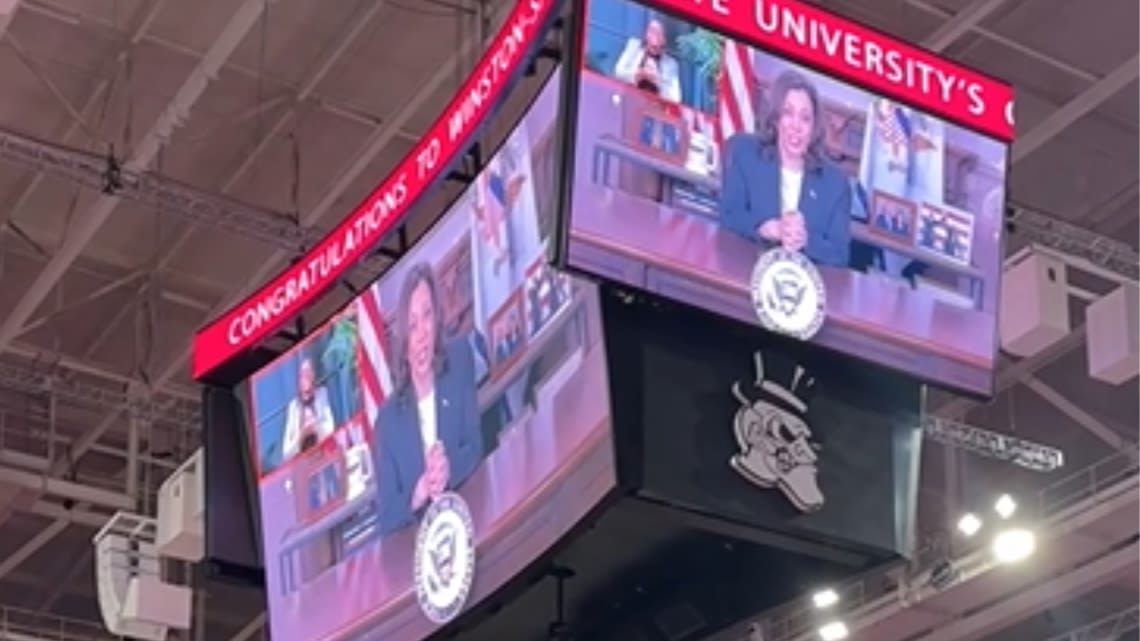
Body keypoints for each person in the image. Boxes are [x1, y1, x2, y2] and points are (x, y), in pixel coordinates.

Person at [374, 263, 484, 534]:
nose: (422, 333)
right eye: (412, 324)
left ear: (436, 318)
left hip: (470, 518)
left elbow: (476, 445)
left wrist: (449, 470)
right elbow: (386, 516)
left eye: (427, 316)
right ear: (403, 337)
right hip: (421, 547)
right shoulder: (387, 422)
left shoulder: (459, 360)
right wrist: (418, 493)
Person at [718, 69, 852, 268]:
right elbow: (729, 215)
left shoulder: (836, 184)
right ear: (775, 119)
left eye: (805, 118)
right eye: (788, 113)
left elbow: (840, 254)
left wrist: (806, 240)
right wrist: (766, 228)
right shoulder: (745, 154)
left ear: (814, 127)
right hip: (746, 272)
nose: (796, 126)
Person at [613, 19, 682, 103]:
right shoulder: (634, 46)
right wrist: (637, 75)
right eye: (652, 32)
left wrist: (657, 81)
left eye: (659, 34)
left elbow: (675, 98)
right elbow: (618, 72)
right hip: (630, 100)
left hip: (654, 107)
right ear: (646, 34)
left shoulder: (671, 64)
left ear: (664, 40)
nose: (655, 38)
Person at [281, 357, 336, 462]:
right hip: (303, 464)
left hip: (324, 456)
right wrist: (302, 435)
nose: (306, 379)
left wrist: (315, 427)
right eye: (303, 375)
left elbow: (331, 429)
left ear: (313, 376)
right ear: (298, 380)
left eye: (309, 373)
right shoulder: (293, 408)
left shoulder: (322, 394)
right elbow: (286, 453)